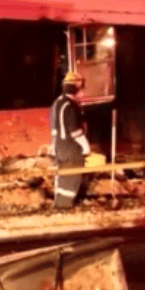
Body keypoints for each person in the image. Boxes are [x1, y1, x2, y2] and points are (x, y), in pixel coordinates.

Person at [50, 72, 92, 209]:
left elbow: (54, 128)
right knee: (73, 175)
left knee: (62, 175)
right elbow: (75, 131)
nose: (83, 93)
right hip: (70, 148)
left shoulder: (57, 103)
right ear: (76, 88)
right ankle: (65, 205)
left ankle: (59, 203)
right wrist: (86, 147)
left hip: (59, 147)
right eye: (81, 89)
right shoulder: (70, 106)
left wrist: (54, 146)